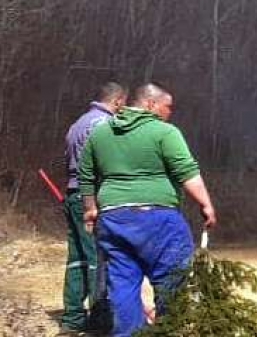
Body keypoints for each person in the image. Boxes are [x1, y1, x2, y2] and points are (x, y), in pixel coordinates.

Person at [80, 83, 217, 337]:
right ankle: (168, 330)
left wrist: (90, 209)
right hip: (158, 219)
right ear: (150, 104)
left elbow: (85, 175)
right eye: (168, 106)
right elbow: (187, 171)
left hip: (112, 219)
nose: (170, 112)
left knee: (122, 285)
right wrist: (206, 205)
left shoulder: (99, 134)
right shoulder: (164, 132)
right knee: (171, 279)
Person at [60, 81, 127, 334]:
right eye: (124, 103)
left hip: (72, 194)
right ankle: (99, 321)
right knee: (96, 259)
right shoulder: (104, 125)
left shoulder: (77, 124)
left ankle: (72, 318)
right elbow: (105, 164)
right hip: (92, 198)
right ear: (118, 101)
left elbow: (70, 161)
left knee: (76, 258)